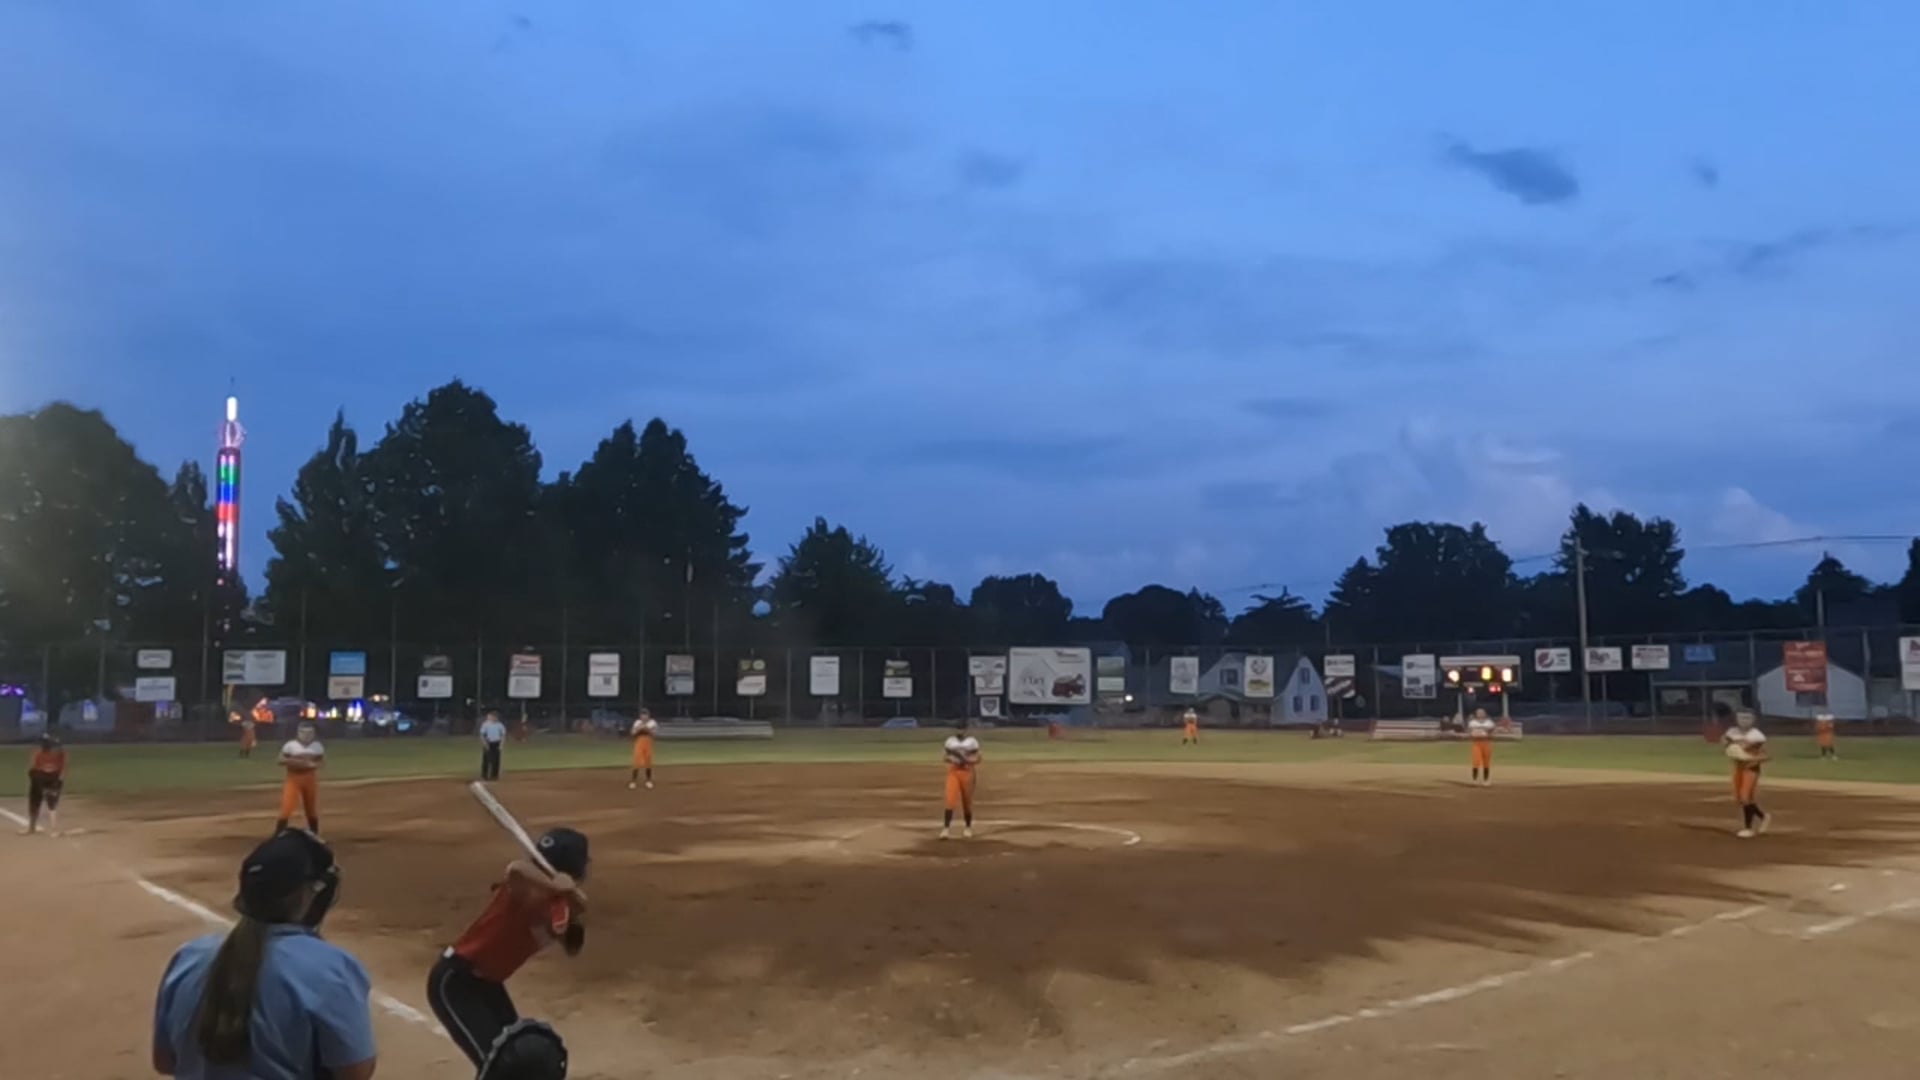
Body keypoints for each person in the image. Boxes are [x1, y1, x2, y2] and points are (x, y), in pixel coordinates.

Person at [151, 829, 376, 1080]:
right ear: (312, 895)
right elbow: (355, 1073)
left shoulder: (188, 957)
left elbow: (165, 1060)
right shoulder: (330, 967)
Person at [426, 828, 590, 1071]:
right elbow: (516, 869)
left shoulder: (561, 906)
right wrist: (555, 886)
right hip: (456, 981)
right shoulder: (525, 890)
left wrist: (569, 898)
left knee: (520, 1057)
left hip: (488, 985)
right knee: (500, 1067)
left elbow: (573, 942)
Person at [1722, 710, 1772, 838]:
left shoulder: (1757, 736)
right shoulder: (1732, 732)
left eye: (1747, 717)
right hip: (1738, 768)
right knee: (1740, 799)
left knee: (1745, 797)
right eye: (1741, 717)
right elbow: (1725, 745)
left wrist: (1750, 758)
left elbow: (1766, 755)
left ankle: (1748, 828)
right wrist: (1731, 750)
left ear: (1753, 719)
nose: (1744, 720)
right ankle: (1763, 817)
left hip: (1751, 768)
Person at [276, 721, 324, 835]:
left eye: (310, 733)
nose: (307, 736)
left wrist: (313, 765)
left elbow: (322, 762)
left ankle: (314, 834)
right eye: (304, 733)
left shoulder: (317, 746)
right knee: (287, 806)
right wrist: (298, 762)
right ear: (299, 733)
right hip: (293, 778)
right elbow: (280, 760)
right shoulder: (290, 745)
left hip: (310, 778)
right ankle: (278, 834)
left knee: (311, 808)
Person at [941, 721, 982, 840]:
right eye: (958, 728)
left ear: (966, 729)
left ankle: (968, 827)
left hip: (968, 772)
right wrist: (952, 760)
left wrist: (967, 760)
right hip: (954, 772)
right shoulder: (950, 741)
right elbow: (945, 756)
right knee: (950, 799)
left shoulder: (972, 742)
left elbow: (978, 757)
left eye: (962, 728)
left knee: (967, 802)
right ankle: (946, 829)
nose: (960, 731)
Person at [23, 733, 66, 835]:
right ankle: (51, 829)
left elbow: (32, 770)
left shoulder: (40, 754)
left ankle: (34, 828)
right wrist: (58, 782)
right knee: (50, 804)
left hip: (44, 779)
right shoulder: (58, 754)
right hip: (50, 780)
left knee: (39, 803)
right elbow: (62, 770)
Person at [628, 709, 657, 790]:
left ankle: (648, 781)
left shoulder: (652, 722)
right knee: (636, 761)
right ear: (640, 716)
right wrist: (640, 729)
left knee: (648, 761)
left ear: (648, 715)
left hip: (648, 743)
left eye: (645, 715)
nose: (644, 716)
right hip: (639, 742)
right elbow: (633, 733)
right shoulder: (637, 722)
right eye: (642, 715)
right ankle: (633, 781)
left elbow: (653, 734)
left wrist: (644, 728)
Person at [1466, 707, 1496, 786]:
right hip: (1476, 743)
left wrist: (1490, 735)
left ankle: (1486, 780)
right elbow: (1469, 732)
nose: (1480, 714)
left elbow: (1493, 731)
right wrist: (1472, 735)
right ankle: (1474, 780)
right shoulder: (1472, 723)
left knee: (1486, 762)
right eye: (1478, 713)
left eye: (1482, 712)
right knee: (1475, 761)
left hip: (1486, 742)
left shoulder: (1489, 722)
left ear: (1485, 714)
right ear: (1476, 714)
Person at [479, 711, 508, 781]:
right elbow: (482, 735)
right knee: (486, 760)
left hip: (496, 743)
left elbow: (503, 735)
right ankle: (484, 775)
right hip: (488, 742)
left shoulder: (500, 725)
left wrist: (501, 745)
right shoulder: (485, 724)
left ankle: (494, 776)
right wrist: (485, 744)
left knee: (496, 760)